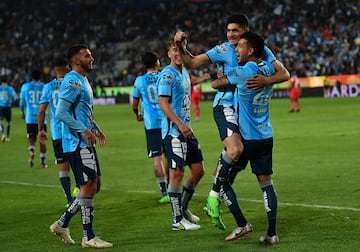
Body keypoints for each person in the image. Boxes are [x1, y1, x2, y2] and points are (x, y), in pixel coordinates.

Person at [174, 13, 289, 230]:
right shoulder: (223, 50)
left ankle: (220, 208)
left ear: (245, 30)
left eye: (234, 31)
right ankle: (211, 196)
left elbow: (283, 73)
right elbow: (193, 62)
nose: (230, 35)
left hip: (243, 110)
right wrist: (181, 46)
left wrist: (266, 80)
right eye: (228, 31)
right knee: (235, 150)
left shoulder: (260, 49)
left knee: (231, 170)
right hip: (225, 105)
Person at [211, 31, 279, 244]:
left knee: (220, 182)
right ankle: (272, 234)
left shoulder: (243, 72)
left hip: (246, 139)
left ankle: (242, 224)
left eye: (240, 46)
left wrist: (221, 76)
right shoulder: (268, 69)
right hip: (266, 136)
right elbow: (282, 73)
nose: (236, 49)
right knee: (266, 184)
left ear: (250, 50)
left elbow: (216, 84)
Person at [49, 44, 112, 248]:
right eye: (87, 56)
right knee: (88, 186)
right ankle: (88, 236)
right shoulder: (71, 81)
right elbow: (61, 112)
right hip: (76, 143)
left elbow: (83, 111)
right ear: (76, 61)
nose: (91, 58)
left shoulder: (83, 79)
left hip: (85, 141)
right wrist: (84, 131)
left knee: (95, 185)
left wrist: (95, 127)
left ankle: (62, 223)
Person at [157, 37, 205, 231]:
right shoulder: (167, 75)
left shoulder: (183, 71)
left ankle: (183, 207)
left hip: (186, 130)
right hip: (174, 132)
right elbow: (163, 103)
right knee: (176, 173)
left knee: (199, 170)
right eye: (174, 51)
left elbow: (187, 86)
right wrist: (180, 125)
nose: (177, 54)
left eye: (181, 50)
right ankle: (177, 220)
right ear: (169, 54)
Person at [38, 56, 79, 207]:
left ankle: (69, 200)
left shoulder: (48, 87)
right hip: (74, 131)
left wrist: (41, 130)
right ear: (68, 69)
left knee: (62, 167)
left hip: (57, 133)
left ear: (55, 70)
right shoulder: (73, 83)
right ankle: (80, 188)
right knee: (77, 162)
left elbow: (42, 111)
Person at [131, 51, 170, 204]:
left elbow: (134, 104)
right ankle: (172, 186)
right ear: (157, 63)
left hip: (151, 123)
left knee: (157, 159)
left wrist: (138, 114)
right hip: (167, 120)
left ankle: (164, 192)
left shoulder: (140, 81)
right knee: (169, 156)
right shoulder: (163, 76)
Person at [19, 69, 48, 168]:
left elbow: (22, 102)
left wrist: (22, 112)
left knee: (31, 138)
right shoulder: (44, 87)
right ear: (40, 77)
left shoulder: (25, 86)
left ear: (31, 77)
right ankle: (43, 162)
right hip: (42, 116)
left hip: (30, 117)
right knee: (42, 139)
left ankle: (32, 151)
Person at [0, 76, 18, 142]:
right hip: (8, 107)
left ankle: (3, 134)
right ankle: (7, 137)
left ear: (1, 81)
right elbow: (15, 96)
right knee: (9, 122)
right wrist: (13, 100)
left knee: (1, 121)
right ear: (7, 81)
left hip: (1, 106)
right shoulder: (10, 88)